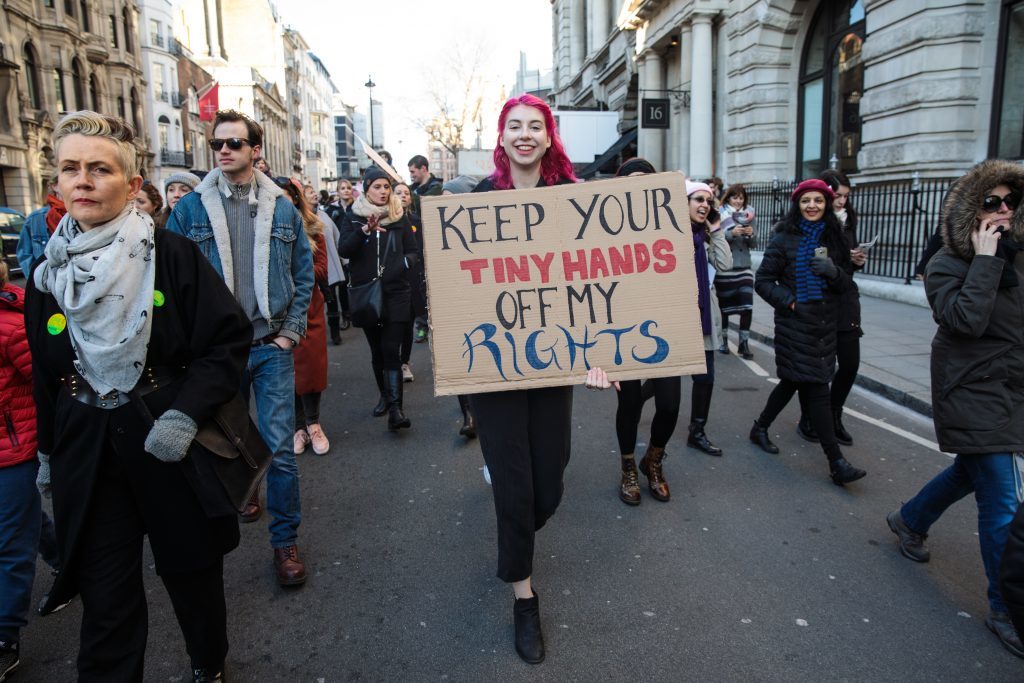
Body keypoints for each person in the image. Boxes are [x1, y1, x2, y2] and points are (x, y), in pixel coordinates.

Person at [26, 110, 252, 681]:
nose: (83, 180)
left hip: (164, 440)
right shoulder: (45, 277)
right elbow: (49, 376)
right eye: (70, 169)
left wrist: (185, 413)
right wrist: (49, 451)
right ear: (56, 184)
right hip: (88, 450)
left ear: (130, 186)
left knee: (191, 572)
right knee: (105, 596)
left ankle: (209, 663)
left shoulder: (171, 255)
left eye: (99, 169)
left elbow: (225, 344)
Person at [166, 109, 314, 587]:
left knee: (280, 450)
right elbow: (171, 281)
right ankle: (230, 515)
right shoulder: (189, 211)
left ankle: (285, 542)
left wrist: (289, 331)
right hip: (217, 352)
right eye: (218, 144)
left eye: (234, 143)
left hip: (270, 344)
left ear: (255, 150)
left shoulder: (283, 207)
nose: (224, 150)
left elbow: (303, 273)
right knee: (219, 447)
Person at [886, 159, 1024, 658]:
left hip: (1013, 390)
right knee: (1004, 497)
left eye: (1011, 201)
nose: (1003, 210)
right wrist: (987, 261)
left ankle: (909, 520)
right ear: (971, 210)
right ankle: (1008, 606)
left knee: (975, 470)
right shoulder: (947, 263)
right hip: (972, 388)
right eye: (992, 202)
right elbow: (965, 321)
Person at [468, 94, 578, 665]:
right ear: (503, 137)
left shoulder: (571, 202)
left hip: (555, 362)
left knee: (548, 482)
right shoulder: (478, 203)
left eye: (536, 126)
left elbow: (601, 291)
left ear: (548, 136)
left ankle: (521, 529)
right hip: (494, 369)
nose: (526, 135)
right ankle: (523, 595)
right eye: (516, 126)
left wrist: (604, 353)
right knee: (513, 486)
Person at [749, 179, 867, 486]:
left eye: (818, 200)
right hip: (795, 323)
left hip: (825, 324)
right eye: (805, 201)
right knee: (817, 388)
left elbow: (845, 285)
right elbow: (763, 281)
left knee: (792, 380)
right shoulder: (784, 238)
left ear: (827, 204)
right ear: (797, 205)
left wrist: (835, 270)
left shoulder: (836, 237)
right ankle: (836, 462)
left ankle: (760, 427)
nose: (811, 206)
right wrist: (789, 303)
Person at [609, 158, 682, 505]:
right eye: (631, 180)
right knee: (631, 403)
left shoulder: (672, 224)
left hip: (665, 326)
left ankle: (652, 459)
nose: (638, 185)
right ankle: (627, 469)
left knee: (669, 404)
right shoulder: (604, 225)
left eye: (645, 180)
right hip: (622, 328)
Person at [337, 166, 417, 431]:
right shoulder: (353, 216)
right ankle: (384, 395)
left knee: (390, 349)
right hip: (367, 293)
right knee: (376, 351)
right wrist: (365, 232)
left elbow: (414, 252)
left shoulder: (399, 215)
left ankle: (396, 409)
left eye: (386, 187)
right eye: (377, 187)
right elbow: (344, 249)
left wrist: (401, 265)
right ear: (367, 188)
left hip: (396, 292)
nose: (383, 192)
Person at [795, 170, 865, 445]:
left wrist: (856, 260)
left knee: (849, 364)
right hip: (819, 304)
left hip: (845, 300)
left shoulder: (848, 221)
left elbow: (845, 270)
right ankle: (809, 417)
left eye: (846, 197)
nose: (842, 202)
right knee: (815, 367)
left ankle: (834, 414)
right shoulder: (812, 224)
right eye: (837, 196)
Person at [0, 260, 41, 682]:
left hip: (13, 450)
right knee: (23, 523)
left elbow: (45, 379)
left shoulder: (11, 327)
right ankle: (66, 558)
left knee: (11, 544)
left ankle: (4, 637)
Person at [282, 180, 330, 456]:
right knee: (287, 369)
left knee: (312, 366)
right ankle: (298, 427)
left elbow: (322, 268)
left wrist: (294, 271)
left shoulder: (313, 228)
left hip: (309, 306)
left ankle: (314, 423)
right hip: (278, 310)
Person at [441, 175, 480, 439]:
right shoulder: (439, 232)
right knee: (461, 356)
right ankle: (469, 414)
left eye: (448, 199)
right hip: (452, 303)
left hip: (479, 303)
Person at [716, 183, 757, 360]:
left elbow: (754, 244)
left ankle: (743, 343)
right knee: (724, 307)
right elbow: (715, 237)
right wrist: (732, 233)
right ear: (729, 198)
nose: (738, 201)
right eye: (735, 197)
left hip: (744, 267)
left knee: (747, 307)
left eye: (741, 198)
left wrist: (750, 234)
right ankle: (724, 340)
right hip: (726, 267)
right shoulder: (720, 214)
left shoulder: (750, 214)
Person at [305, 184, 346, 346]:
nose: (314, 194)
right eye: (310, 192)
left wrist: (344, 260)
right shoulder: (299, 216)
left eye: (314, 191)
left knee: (332, 299)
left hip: (329, 265)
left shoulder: (324, 215)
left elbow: (337, 237)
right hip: (312, 267)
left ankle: (335, 332)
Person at [393, 182, 424, 378]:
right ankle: (391, 363)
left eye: (406, 193)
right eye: (398, 192)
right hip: (391, 280)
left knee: (408, 323)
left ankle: (404, 363)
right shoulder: (384, 221)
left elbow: (421, 250)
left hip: (412, 278)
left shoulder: (417, 221)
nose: (403, 195)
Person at [16, 177, 65, 276]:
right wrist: (36, 283)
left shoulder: (85, 215)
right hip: (46, 287)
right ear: (54, 186)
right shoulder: (36, 219)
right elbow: (25, 255)